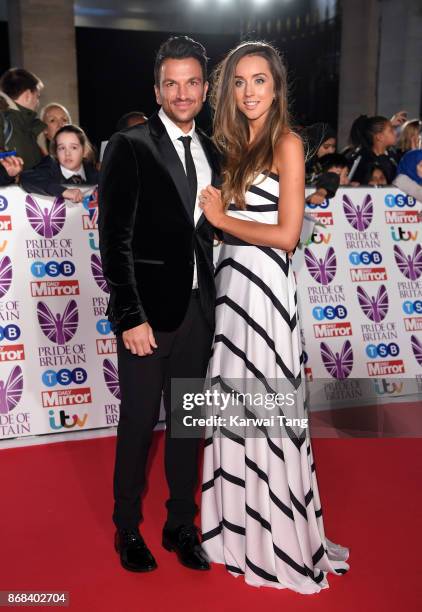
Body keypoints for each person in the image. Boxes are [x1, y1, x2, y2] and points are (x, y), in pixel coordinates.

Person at [198, 41, 350, 593]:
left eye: (259, 80)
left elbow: (287, 236)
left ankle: (276, 538)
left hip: (264, 292)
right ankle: (235, 532)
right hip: (233, 291)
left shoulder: (287, 144)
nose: (249, 92)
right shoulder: (235, 148)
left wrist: (222, 218)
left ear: (276, 86)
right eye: (238, 82)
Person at [98, 36, 220, 574]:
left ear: (205, 87)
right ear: (157, 89)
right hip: (146, 317)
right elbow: (114, 239)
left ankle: (179, 525)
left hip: (199, 311)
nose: (182, 92)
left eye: (191, 82)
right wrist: (130, 316)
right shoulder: (130, 146)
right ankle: (127, 526)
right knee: (139, 422)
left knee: (188, 425)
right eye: (171, 83)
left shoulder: (215, 150)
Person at [20, 124, 98, 202]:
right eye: (62, 148)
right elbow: (26, 178)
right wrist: (63, 191)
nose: (67, 153)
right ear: (56, 152)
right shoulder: (50, 166)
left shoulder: (94, 173)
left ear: (85, 151)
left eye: (74, 147)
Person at [0, 68, 45, 169]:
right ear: (28, 95)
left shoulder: (24, 124)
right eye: (37, 96)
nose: (38, 103)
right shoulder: (6, 121)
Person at [347, 115, 398, 184]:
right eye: (391, 131)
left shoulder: (394, 157)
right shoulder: (362, 160)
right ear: (379, 137)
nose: (395, 133)